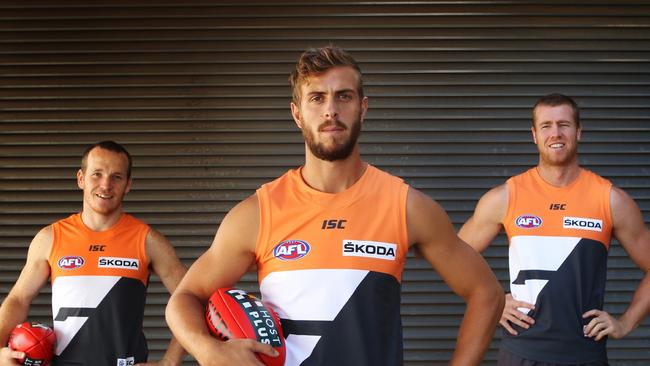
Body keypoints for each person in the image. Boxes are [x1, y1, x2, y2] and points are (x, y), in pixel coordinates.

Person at [165, 45, 504, 366]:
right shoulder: (257, 213)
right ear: (297, 114)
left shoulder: (406, 206)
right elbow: (185, 298)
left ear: (363, 107)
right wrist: (208, 351)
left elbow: (485, 292)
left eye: (344, 96)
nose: (331, 109)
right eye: (317, 98)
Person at [458, 93, 650, 365]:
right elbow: (453, 258)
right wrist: (494, 302)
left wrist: (626, 323)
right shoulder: (505, 197)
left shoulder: (609, 199)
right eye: (546, 126)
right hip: (521, 353)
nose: (555, 133)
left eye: (564, 124)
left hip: (585, 353)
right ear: (534, 135)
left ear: (579, 132)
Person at [0, 141, 187, 366]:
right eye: (97, 174)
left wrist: (170, 362)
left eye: (116, 177)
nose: (105, 185)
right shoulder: (50, 238)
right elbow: (19, 299)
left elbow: (190, 300)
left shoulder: (148, 241)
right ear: (81, 178)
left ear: (128, 184)